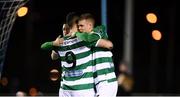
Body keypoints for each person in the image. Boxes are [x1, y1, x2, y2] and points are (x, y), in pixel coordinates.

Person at [41, 12, 113, 97]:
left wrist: (53, 44)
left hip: (65, 89)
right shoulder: (85, 39)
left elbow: (45, 49)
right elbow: (108, 43)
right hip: (83, 89)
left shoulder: (61, 42)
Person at [75, 13, 118, 97]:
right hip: (98, 82)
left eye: (81, 25)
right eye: (78, 26)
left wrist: (75, 33)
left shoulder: (99, 30)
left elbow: (89, 38)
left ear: (90, 25)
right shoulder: (86, 41)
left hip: (106, 81)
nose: (79, 28)